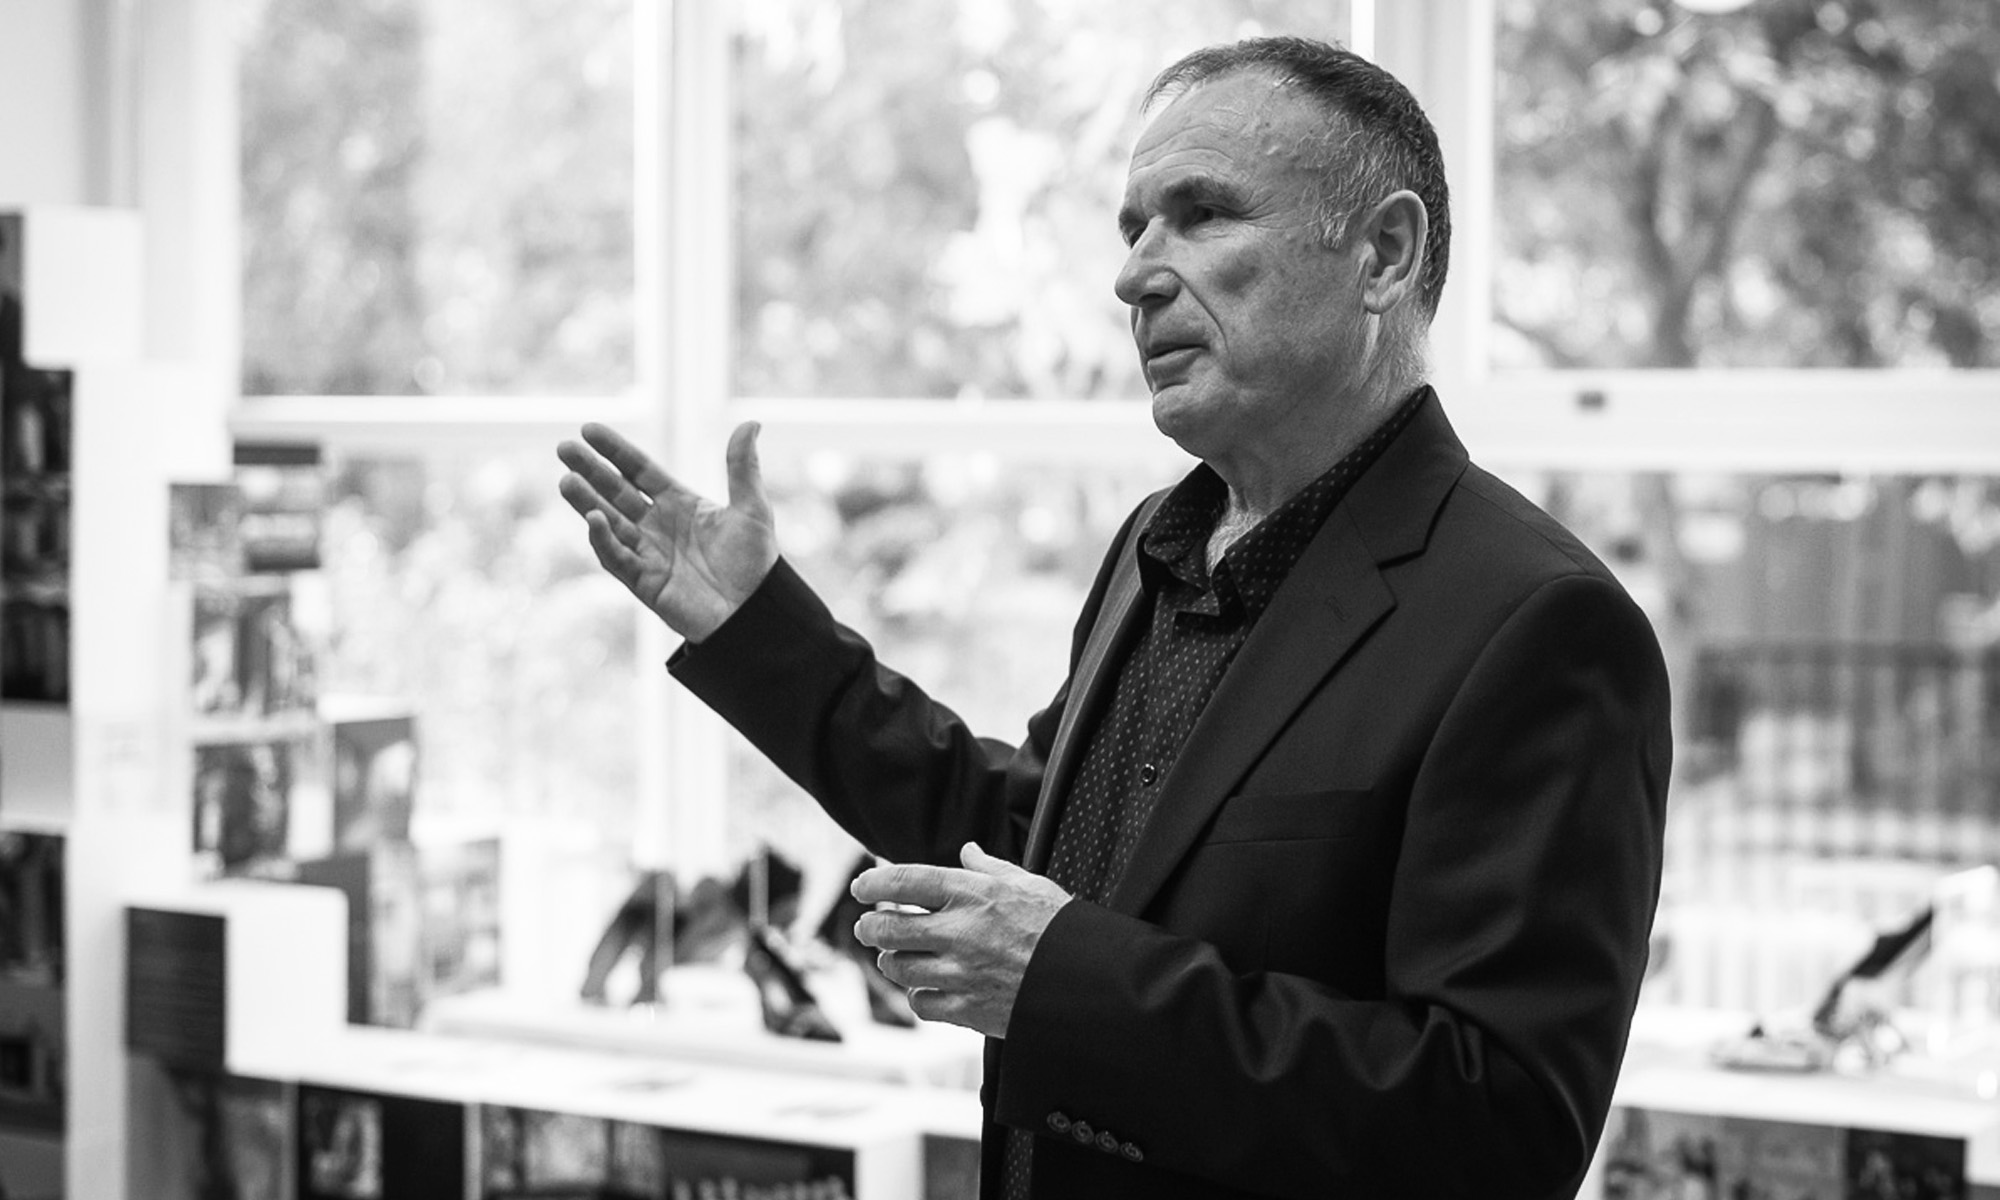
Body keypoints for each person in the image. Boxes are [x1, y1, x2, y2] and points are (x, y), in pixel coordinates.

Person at [558, 35, 1671, 1200]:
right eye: (1132, 229)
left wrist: (1062, 985)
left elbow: (1494, 1132)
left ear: (1381, 255)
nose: (1135, 276)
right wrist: (756, 630)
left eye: (1201, 215)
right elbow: (1028, 845)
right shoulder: (1160, 544)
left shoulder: (1537, 624)